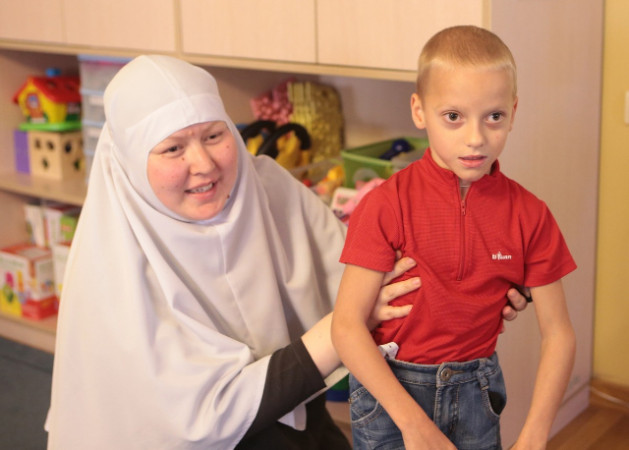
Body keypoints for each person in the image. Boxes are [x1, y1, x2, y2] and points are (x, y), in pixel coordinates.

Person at [46, 55, 528, 449]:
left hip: (298, 416)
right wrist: (347, 322)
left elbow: (381, 278)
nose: (204, 163)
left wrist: (481, 283)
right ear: (131, 162)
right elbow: (200, 420)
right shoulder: (113, 271)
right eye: (173, 149)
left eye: (214, 136)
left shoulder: (266, 187)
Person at [331, 25, 577, 450]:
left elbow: (559, 334)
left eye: (494, 116)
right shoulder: (385, 205)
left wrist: (535, 434)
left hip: (476, 395)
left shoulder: (531, 214)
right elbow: (347, 327)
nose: (476, 138)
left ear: (513, 111)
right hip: (390, 398)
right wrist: (414, 425)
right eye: (453, 117)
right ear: (419, 110)